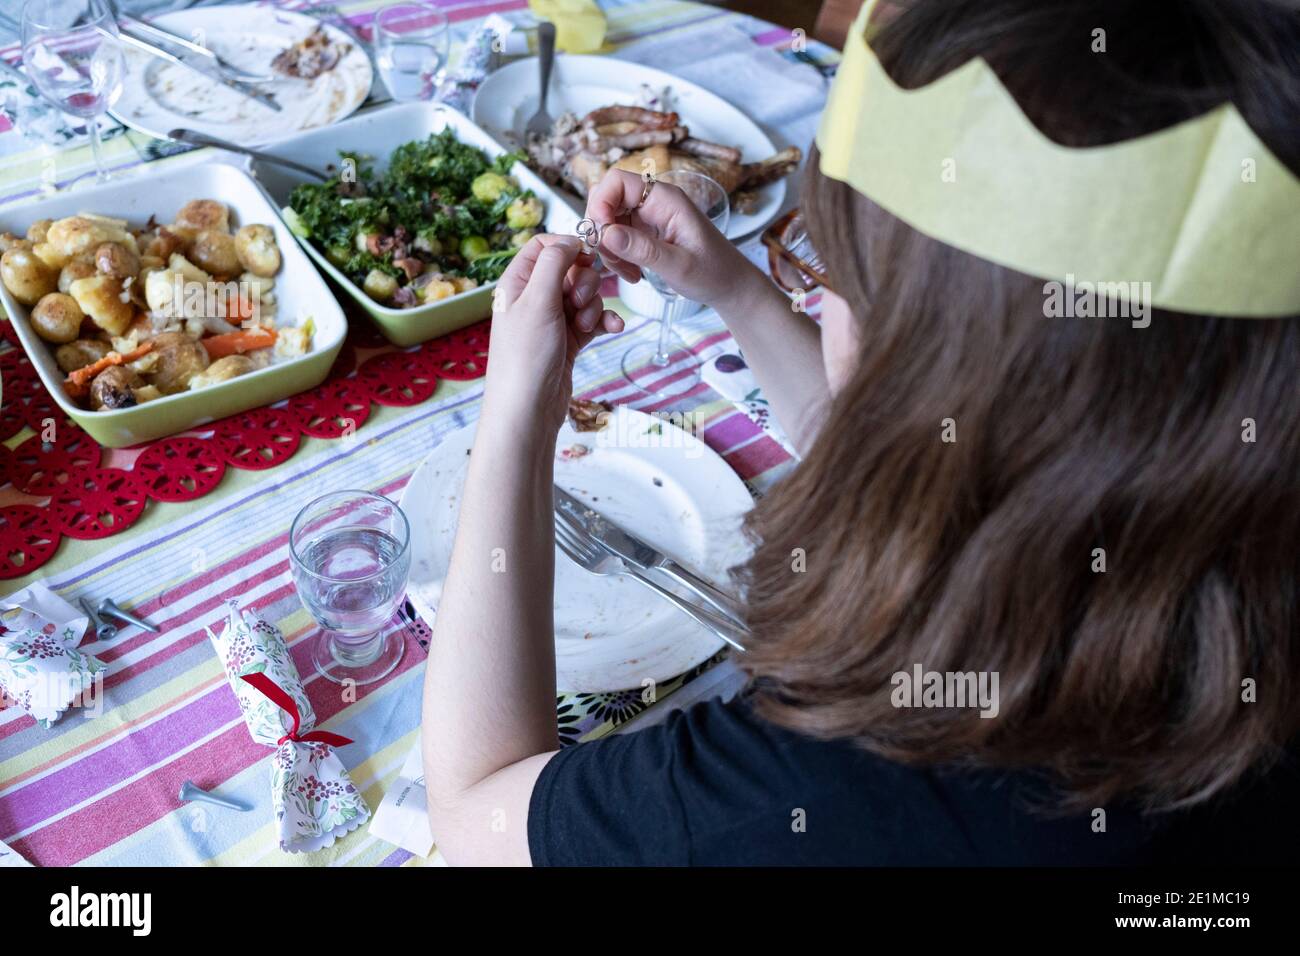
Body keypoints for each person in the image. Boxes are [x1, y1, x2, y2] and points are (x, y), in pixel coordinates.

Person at [421, 0, 1300, 865]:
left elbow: (476, 815)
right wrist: (737, 292)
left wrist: (519, 417)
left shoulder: (843, 783)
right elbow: (934, 449)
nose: (820, 286)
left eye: (835, 266)